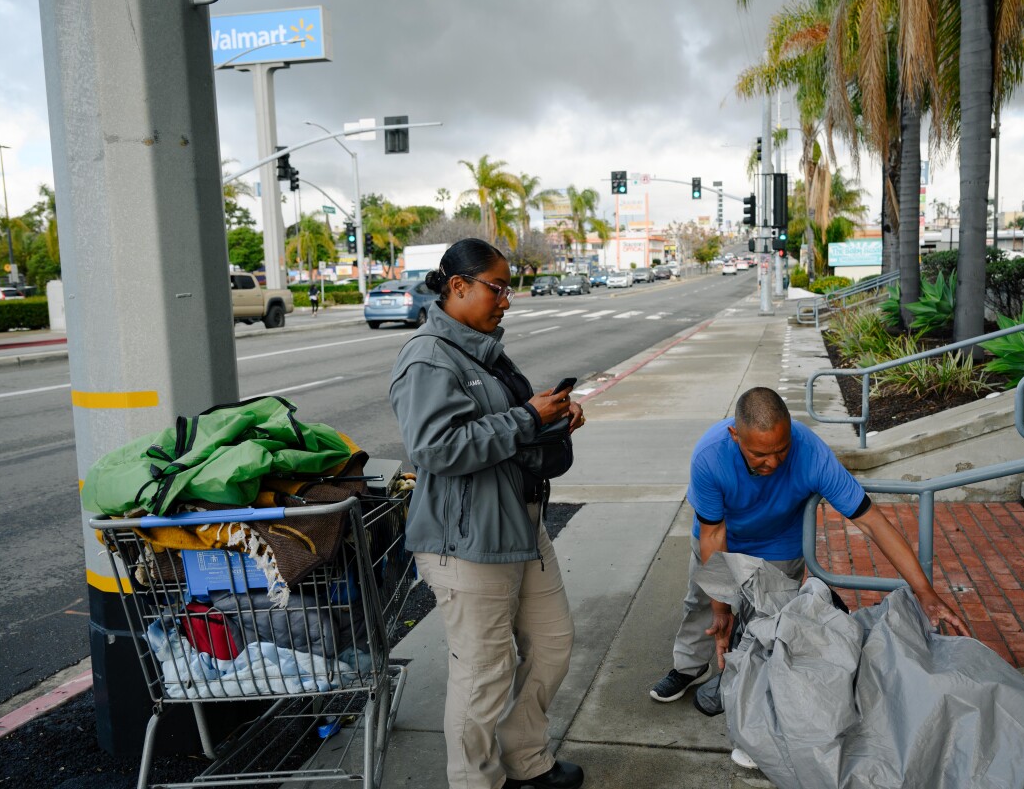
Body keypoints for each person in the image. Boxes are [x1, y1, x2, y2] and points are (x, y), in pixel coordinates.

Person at [389, 238, 587, 789]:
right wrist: (526, 419)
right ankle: (477, 781)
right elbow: (434, 449)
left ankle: (526, 759)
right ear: (458, 286)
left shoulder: (482, 348)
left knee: (553, 645)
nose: (507, 300)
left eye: (508, 288)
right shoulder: (429, 356)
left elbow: (502, 432)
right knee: (483, 676)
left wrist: (551, 420)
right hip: (467, 542)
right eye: (498, 288)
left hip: (519, 524)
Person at [650, 387, 970, 705]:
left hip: (779, 544)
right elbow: (713, 534)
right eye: (759, 454)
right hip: (720, 538)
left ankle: (748, 681)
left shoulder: (811, 453)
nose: (773, 462)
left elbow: (871, 520)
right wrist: (720, 607)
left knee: (771, 626)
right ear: (735, 435)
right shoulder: (710, 455)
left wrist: (924, 592)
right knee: (702, 607)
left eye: (781, 449)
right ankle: (688, 667)